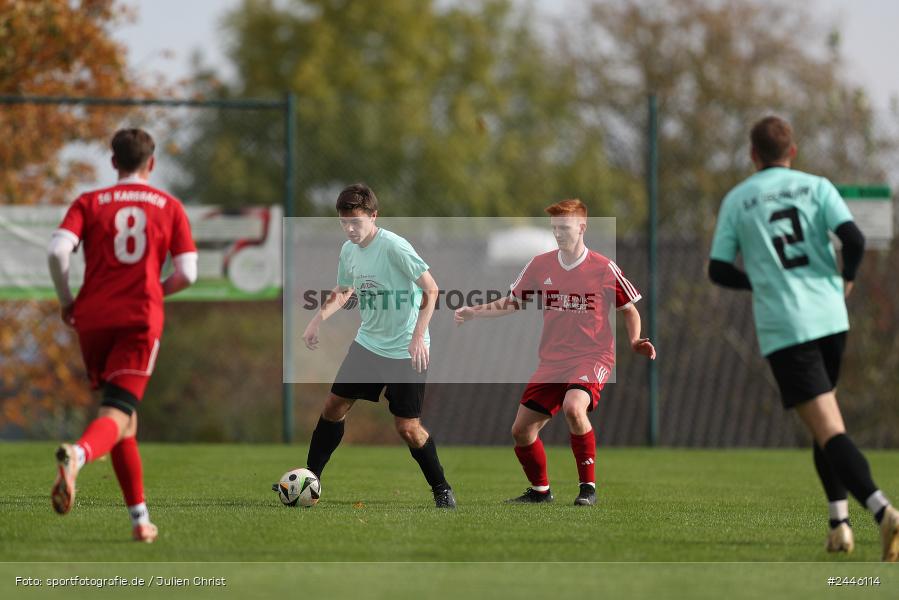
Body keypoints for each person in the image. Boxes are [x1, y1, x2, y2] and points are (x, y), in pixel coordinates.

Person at [709, 116, 899, 561]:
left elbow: (718, 269)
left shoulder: (738, 200)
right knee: (824, 424)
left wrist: (759, 280)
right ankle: (838, 526)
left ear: (753, 155)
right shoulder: (817, 186)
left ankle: (883, 511)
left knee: (828, 428)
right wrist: (846, 277)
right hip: (831, 317)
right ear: (791, 152)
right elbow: (852, 238)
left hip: (787, 326)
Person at [47, 128, 197, 542]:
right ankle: (76, 455)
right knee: (115, 414)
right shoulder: (168, 205)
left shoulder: (88, 201)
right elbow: (188, 273)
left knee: (125, 421)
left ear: (113, 162)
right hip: (138, 319)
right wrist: (154, 289)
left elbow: (57, 251)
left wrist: (67, 300)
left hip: (92, 320)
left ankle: (139, 520)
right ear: (151, 164)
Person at [455, 199, 656, 506]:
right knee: (521, 431)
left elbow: (629, 309)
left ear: (582, 227)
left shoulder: (603, 267)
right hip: (553, 361)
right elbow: (512, 302)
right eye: (555, 229)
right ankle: (540, 492)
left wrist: (634, 340)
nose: (559, 234)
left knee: (573, 407)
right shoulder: (540, 264)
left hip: (593, 356)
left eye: (565, 228)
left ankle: (587, 488)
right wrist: (474, 312)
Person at [300, 183, 455, 508]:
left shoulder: (395, 247)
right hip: (369, 345)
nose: (350, 229)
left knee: (408, 428)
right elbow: (344, 290)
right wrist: (317, 320)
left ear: (374, 216)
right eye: (344, 222)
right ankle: (309, 482)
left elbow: (432, 290)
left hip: (405, 350)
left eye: (356, 221)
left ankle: (441, 488)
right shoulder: (348, 250)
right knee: (333, 406)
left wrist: (417, 336)